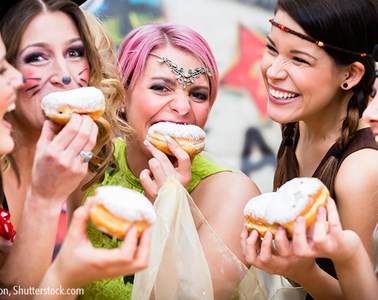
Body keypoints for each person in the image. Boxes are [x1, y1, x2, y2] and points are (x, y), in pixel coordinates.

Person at [68, 23, 306, 300]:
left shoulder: (235, 194)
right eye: (160, 87)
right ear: (122, 95)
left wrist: (170, 209)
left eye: (198, 94)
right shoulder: (91, 163)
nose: (182, 107)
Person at [0, 0, 152, 297]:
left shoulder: (87, 163)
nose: (65, 75)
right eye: (36, 58)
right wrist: (44, 200)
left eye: (74, 52)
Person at [241, 0, 378, 298]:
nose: (274, 71)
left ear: (350, 75)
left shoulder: (361, 171)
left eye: (299, 59)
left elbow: (359, 294)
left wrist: (303, 272)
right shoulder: (297, 123)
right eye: (272, 48)